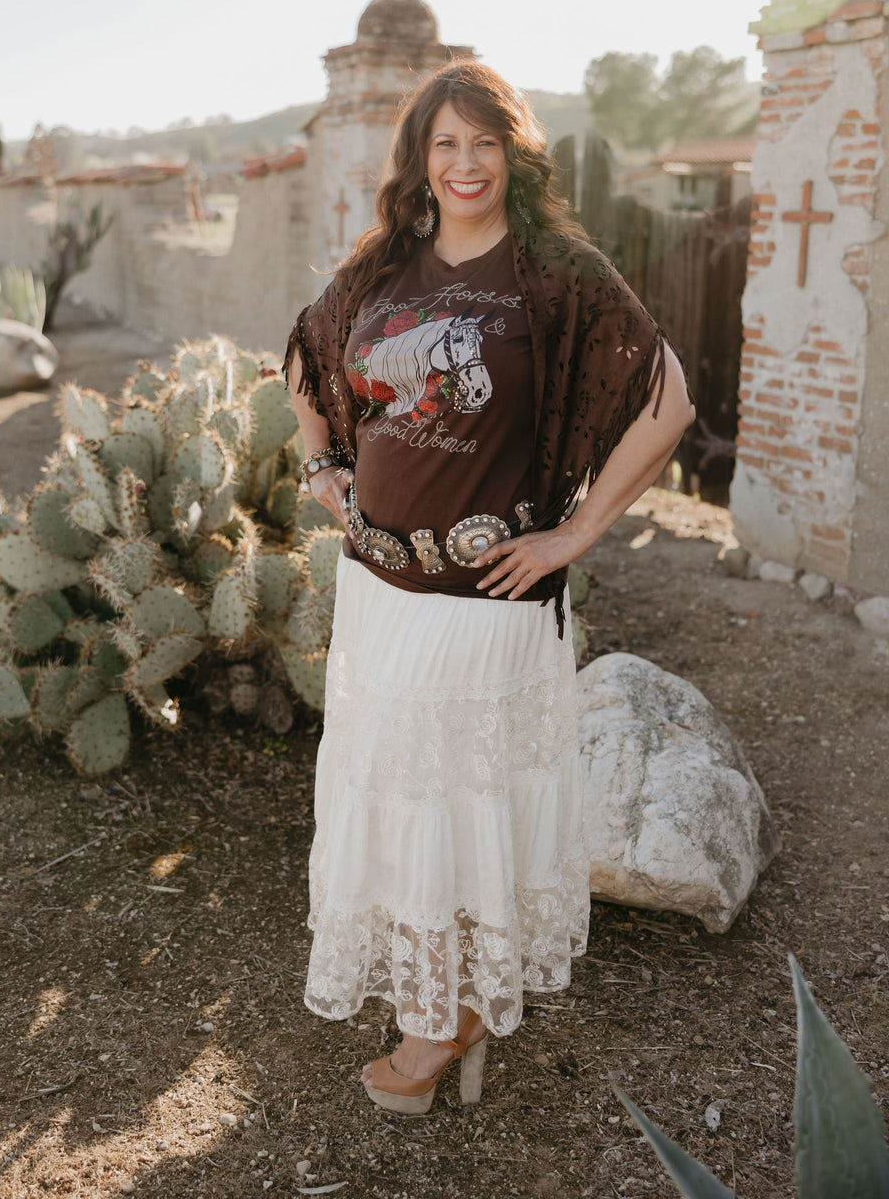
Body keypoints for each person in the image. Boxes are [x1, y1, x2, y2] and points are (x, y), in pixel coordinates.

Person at [284, 61, 695, 1115]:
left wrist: (574, 535)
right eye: (444, 145)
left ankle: (435, 1033)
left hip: (486, 604)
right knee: (400, 799)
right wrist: (318, 463)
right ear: (420, 162)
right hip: (378, 592)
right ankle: (446, 1009)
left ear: (513, 151)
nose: (464, 164)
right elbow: (305, 357)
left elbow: (667, 404)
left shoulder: (553, 270)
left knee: (455, 805)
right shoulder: (385, 267)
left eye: (484, 142)